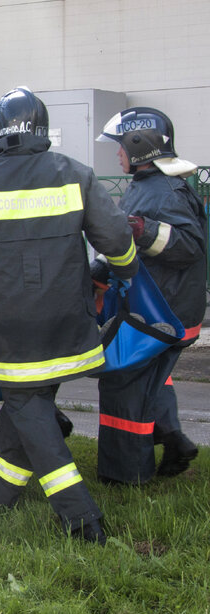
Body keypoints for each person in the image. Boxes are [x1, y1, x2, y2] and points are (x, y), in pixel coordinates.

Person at [0, 87, 138, 544]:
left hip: (9, 329)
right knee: (27, 410)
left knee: (26, 408)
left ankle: (81, 516)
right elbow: (115, 239)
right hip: (66, 325)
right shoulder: (75, 174)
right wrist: (127, 270)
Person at [94, 107, 205, 484]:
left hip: (159, 313)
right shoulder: (151, 185)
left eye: (120, 146)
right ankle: (172, 437)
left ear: (139, 144)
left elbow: (189, 245)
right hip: (160, 309)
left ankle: (125, 476)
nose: (117, 154)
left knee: (123, 384)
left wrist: (140, 228)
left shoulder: (162, 191)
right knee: (151, 379)